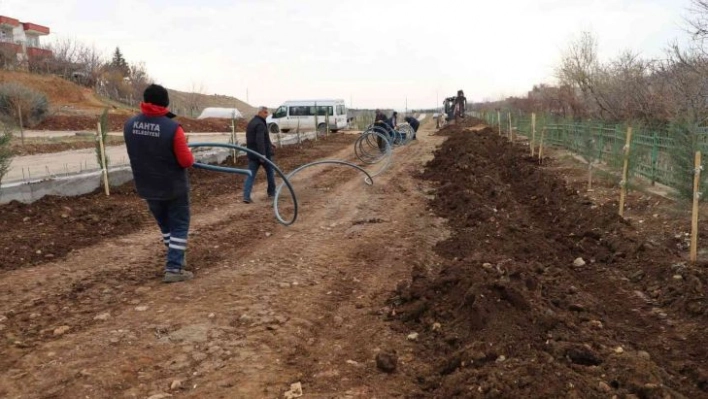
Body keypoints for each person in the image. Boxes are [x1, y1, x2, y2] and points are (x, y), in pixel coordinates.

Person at [124, 84, 195, 283]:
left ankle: (176, 255)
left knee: (165, 226)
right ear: (165, 103)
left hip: (147, 185)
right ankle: (174, 268)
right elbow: (186, 161)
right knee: (179, 225)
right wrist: (187, 150)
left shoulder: (130, 125)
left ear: (145, 101)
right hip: (172, 187)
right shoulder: (173, 128)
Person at [243, 106, 276, 203]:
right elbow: (259, 140)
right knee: (270, 172)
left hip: (252, 154)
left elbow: (259, 138)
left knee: (250, 174)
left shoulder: (252, 122)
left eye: (267, 112)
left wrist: (270, 144)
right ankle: (272, 193)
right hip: (263, 155)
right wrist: (262, 155)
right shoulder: (260, 124)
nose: (267, 114)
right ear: (260, 112)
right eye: (265, 112)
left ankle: (246, 196)